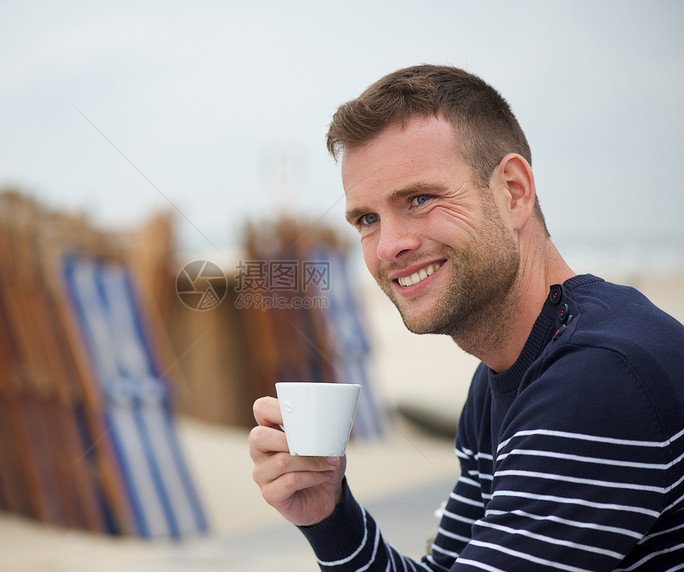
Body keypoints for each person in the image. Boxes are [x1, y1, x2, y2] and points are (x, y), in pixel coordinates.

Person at [248, 64, 684, 571]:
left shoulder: (601, 375)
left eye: (420, 198)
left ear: (514, 191)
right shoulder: (506, 372)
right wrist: (329, 515)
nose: (389, 246)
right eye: (367, 219)